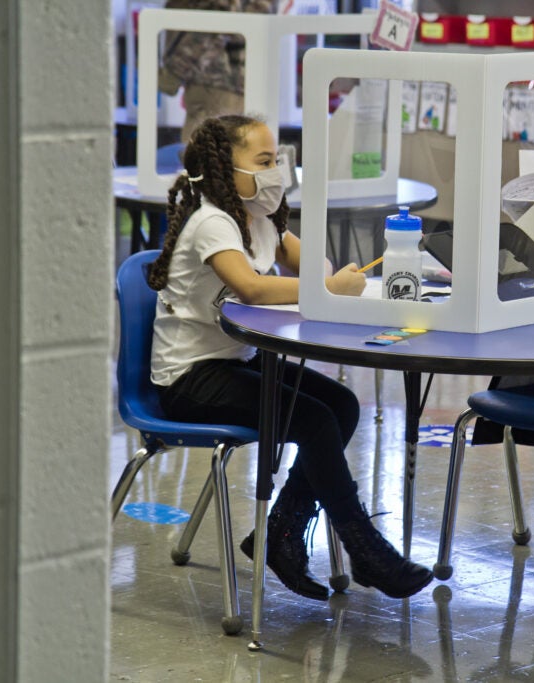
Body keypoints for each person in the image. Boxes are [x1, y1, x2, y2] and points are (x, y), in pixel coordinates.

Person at [147, 114, 434, 601]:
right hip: (188, 379)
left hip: (231, 362)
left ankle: (280, 533)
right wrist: (324, 287)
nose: (275, 171)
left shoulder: (256, 219)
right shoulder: (212, 221)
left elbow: (309, 263)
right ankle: (363, 547)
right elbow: (252, 287)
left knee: (340, 406)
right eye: (263, 161)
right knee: (314, 420)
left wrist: (315, 265)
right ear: (224, 167)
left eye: (277, 160)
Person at [157, 0, 274, 143]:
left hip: (216, 83)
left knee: (205, 152)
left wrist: (173, 74)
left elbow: (213, 26)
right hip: (226, 81)